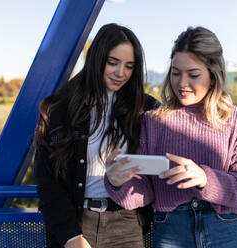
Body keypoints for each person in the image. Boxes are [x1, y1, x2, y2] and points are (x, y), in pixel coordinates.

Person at [104, 26, 237, 248]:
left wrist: (205, 178)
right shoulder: (152, 121)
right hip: (171, 230)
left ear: (213, 76)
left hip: (227, 228)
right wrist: (117, 182)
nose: (182, 83)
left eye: (193, 75)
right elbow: (144, 193)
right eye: (176, 73)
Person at [34, 23, 159, 248]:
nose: (121, 73)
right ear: (96, 59)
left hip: (127, 224)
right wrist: (70, 236)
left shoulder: (147, 109)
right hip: (77, 222)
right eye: (113, 63)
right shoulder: (61, 108)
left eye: (129, 66)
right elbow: (47, 180)